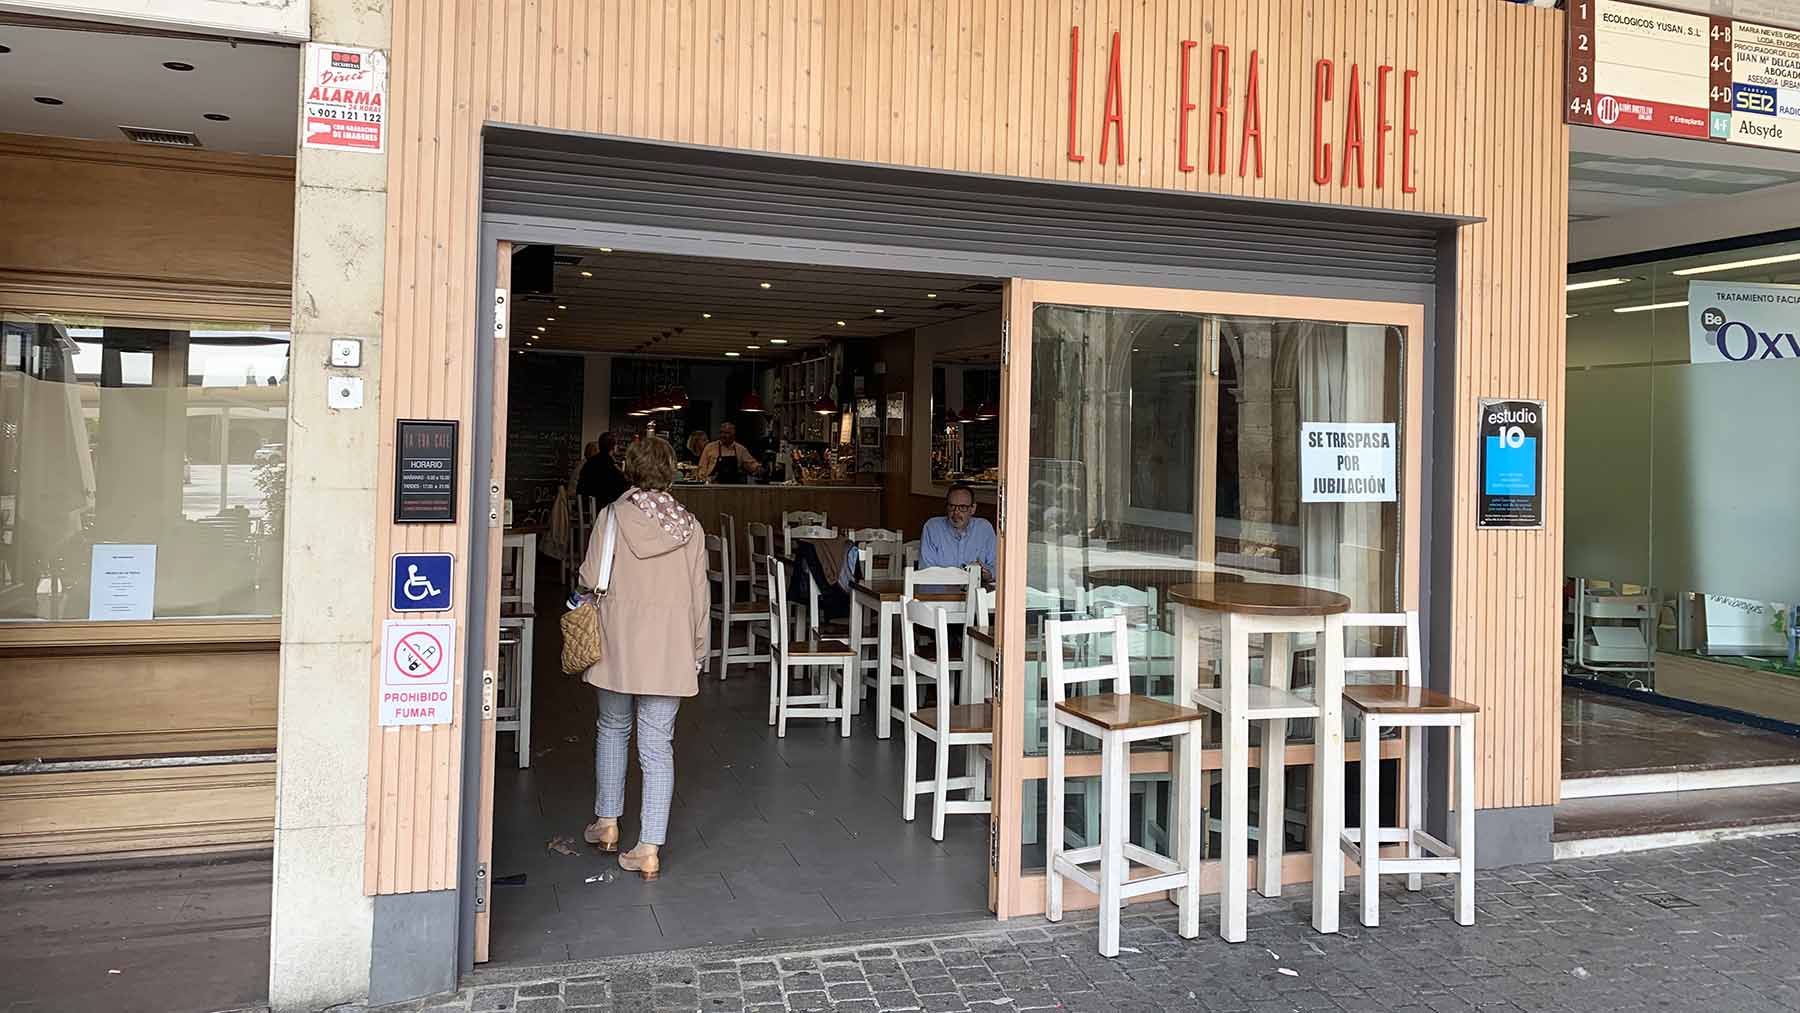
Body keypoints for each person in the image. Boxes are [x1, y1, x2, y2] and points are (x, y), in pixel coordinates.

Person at [577, 437, 709, 880]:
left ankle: (608, 823)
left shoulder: (612, 517)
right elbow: (701, 598)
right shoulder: (691, 527)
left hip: (618, 642)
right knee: (657, 747)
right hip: (670, 648)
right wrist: (698, 649)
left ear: (629, 470)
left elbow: (591, 577)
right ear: (671, 472)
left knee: (612, 729)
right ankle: (648, 847)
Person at [919, 482, 996, 583]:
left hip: (977, 593)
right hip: (939, 593)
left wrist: (988, 574)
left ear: (972, 509)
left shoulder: (984, 528)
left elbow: (997, 566)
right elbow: (926, 571)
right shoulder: (932, 528)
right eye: (952, 506)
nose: (956, 513)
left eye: (962, 507)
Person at [694, 421, 762, 483]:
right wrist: (705, 479)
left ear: (733, 435)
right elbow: (701, 468)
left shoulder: (740, 449)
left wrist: (758, 468)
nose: (723, 435)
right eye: (721, 432)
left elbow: (751, 464)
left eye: (726, 433)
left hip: (733, 486)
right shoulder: (710, 447)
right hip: (713, 485)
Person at [577, 432, 629, 507]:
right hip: (603, 511)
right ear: (613, 447)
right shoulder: (610, 466)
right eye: (617, 444)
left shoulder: (589, 463)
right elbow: (621, 489)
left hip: (586, 509)